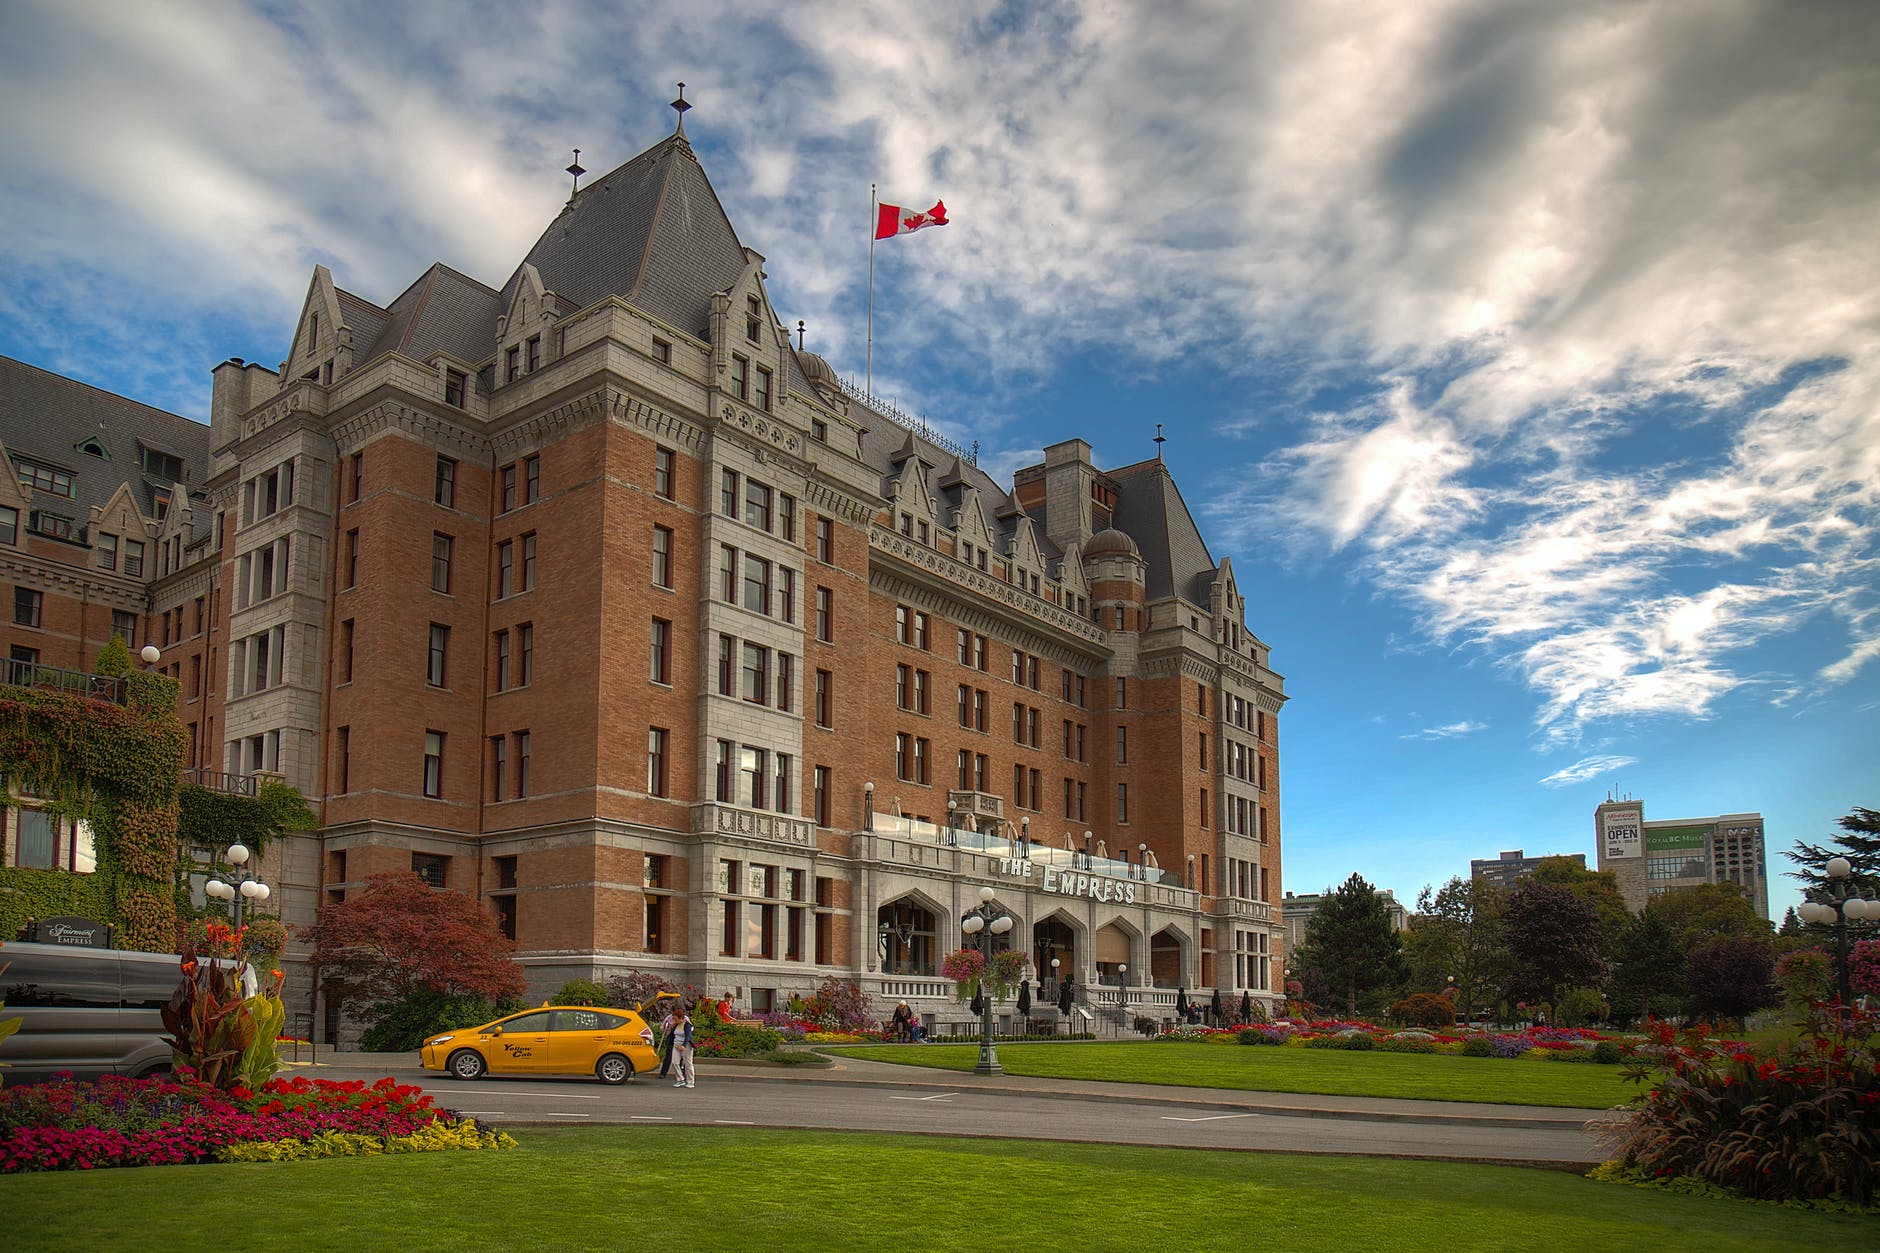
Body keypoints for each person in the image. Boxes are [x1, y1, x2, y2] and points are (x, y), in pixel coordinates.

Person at [671, 1003, 696, 1089]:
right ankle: (680, 1079)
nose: (674, 1020)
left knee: (688, 1063)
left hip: (686, 1046)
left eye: (675, 1019)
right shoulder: (676, 1025)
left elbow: (688, 1036)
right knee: (674, 1062)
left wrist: (684, 1045)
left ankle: (690, 1081)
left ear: (681, 1018)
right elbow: (673, 1035)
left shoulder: (687, 1025)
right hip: (676, 1045)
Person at [657, 1005, 677, 1078]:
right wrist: (663, 1028)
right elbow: (662, 1026)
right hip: (671, 1036)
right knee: (668, 1055)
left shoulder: (685, 1018)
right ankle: (663, 1073)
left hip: (680, 1037)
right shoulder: (669, 1018)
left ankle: (682, 1073)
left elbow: (690, 1026)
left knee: (681, 1056)